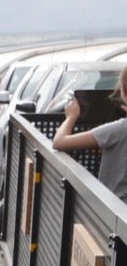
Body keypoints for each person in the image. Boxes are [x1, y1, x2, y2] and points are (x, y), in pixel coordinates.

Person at [52, 65, 127, 200]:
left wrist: (70, 117)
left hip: (114, 208)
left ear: (124, 91)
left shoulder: (119, 129)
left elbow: (59, 142)